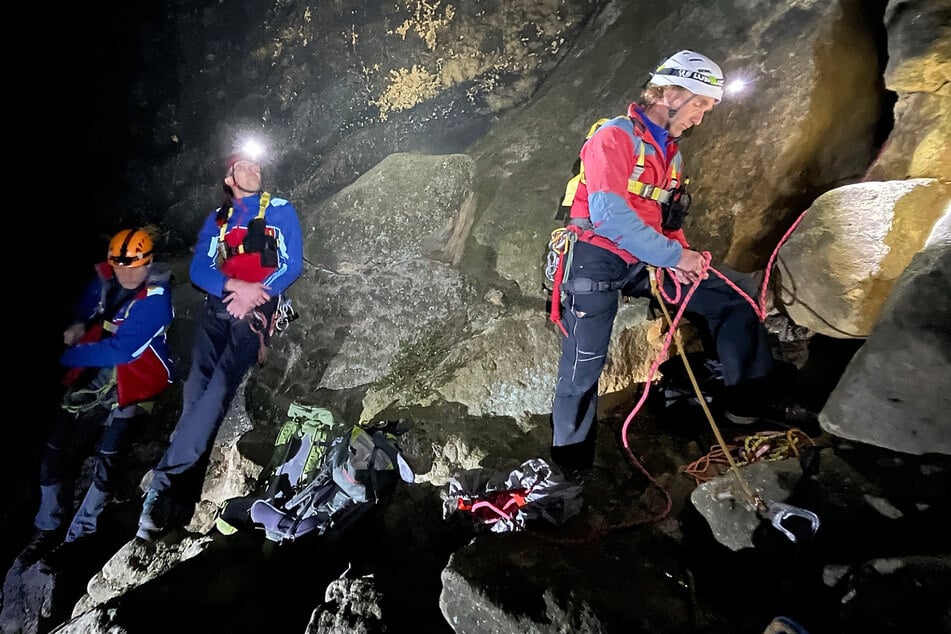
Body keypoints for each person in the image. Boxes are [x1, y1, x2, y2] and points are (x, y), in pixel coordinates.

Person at [550, 50, 813, 482]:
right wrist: (673, 257)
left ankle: (749, 399)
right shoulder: (614, 137)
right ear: (669, 93)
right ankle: (569, 467)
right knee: (582, 373)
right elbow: (608, 215)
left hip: (646, 258)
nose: (699, 118)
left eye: (706, 109)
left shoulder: (669, 155)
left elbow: (667, 222)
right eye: (698, 105)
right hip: (595, 260)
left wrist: (683, 259)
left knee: (733, 300)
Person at [137, 142, 303, 540]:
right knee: (195, 394)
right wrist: (231, 284)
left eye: (256, 165)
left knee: (223, 385)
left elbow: (291, 262)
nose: (253, 170)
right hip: (217, 310)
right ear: (229, 179)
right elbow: (199, 268)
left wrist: (257, 292)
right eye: (244, 166)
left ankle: (160, 488)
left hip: (255, 312)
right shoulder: (219, 218)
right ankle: (180, 504)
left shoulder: (280, 209)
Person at [19, 228, 174, 565]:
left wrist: (67, 357)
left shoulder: (157, 299)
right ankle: (47, 526)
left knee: (109, 457)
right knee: (54, 447)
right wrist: (78, 323)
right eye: (120, 266)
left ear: (147, 263)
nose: (127, 273)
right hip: (94, 379)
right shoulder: (105, 280)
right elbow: (88, 306)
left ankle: (79, 535)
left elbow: (122, 350)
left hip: (133, 385)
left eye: (134, 266)